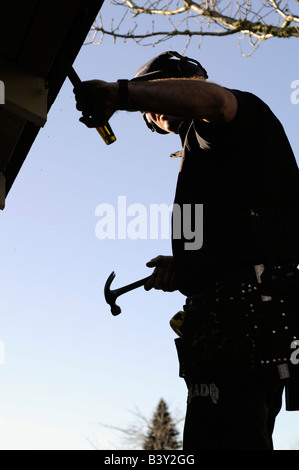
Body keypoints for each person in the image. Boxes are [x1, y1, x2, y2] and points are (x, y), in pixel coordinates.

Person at [74, 51, 299, 450]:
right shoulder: (211, 157)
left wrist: (123, 93)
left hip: (242, 326)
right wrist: (189, 267)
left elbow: (215, 101)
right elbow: (247, 238)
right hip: (240, 326)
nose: (155, 118)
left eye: (155, 104)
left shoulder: (224, 117)